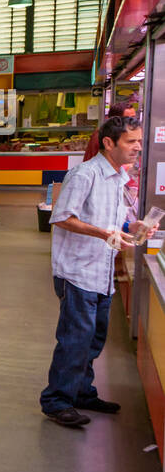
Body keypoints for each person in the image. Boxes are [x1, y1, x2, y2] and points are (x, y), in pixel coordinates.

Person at [40, 115, 158, 428]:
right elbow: (63, 217)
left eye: (139, 142)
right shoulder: (85, 174)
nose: (137, 149)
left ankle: (81, 391)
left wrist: (134, 227)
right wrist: (105, 235)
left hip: (102, 273)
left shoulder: (118, 178)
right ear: (109, 143)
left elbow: (112, 221)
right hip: (77, 271)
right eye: (131, 142)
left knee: (94, 338)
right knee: (75, 339)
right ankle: (56, 400)